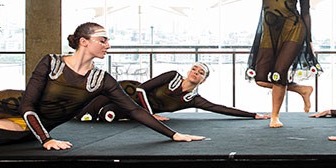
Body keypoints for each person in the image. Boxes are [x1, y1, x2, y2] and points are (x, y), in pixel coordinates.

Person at [0, 22, 205, 151]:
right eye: (102, 40)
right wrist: (46, 140)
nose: (108, 45)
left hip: (32, 125)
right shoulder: (51, 63)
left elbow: (134, 111)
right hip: (11, 105)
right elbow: (27, 104)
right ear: (84, 41)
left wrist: (173, 134)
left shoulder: (102, 80)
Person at [245, 0, 323, 128]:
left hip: (294, 28)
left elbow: (305, 11)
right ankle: (301, 89)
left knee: (279, 73)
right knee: (261, 78)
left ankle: (274, 116)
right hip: (270, 31)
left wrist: (310, 40)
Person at [77, 62, 270, 122]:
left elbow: (219, 108)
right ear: (189, 71)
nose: (196, 73)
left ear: (204, 80)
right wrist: (150, 115)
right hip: (127, 92)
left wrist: (253, 115)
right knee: (85, 111)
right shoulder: (172, 75)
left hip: (133, 110)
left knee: (108, 116)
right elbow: (141, 89)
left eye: (201, 73)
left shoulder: (192, 99)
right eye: (194, 69)